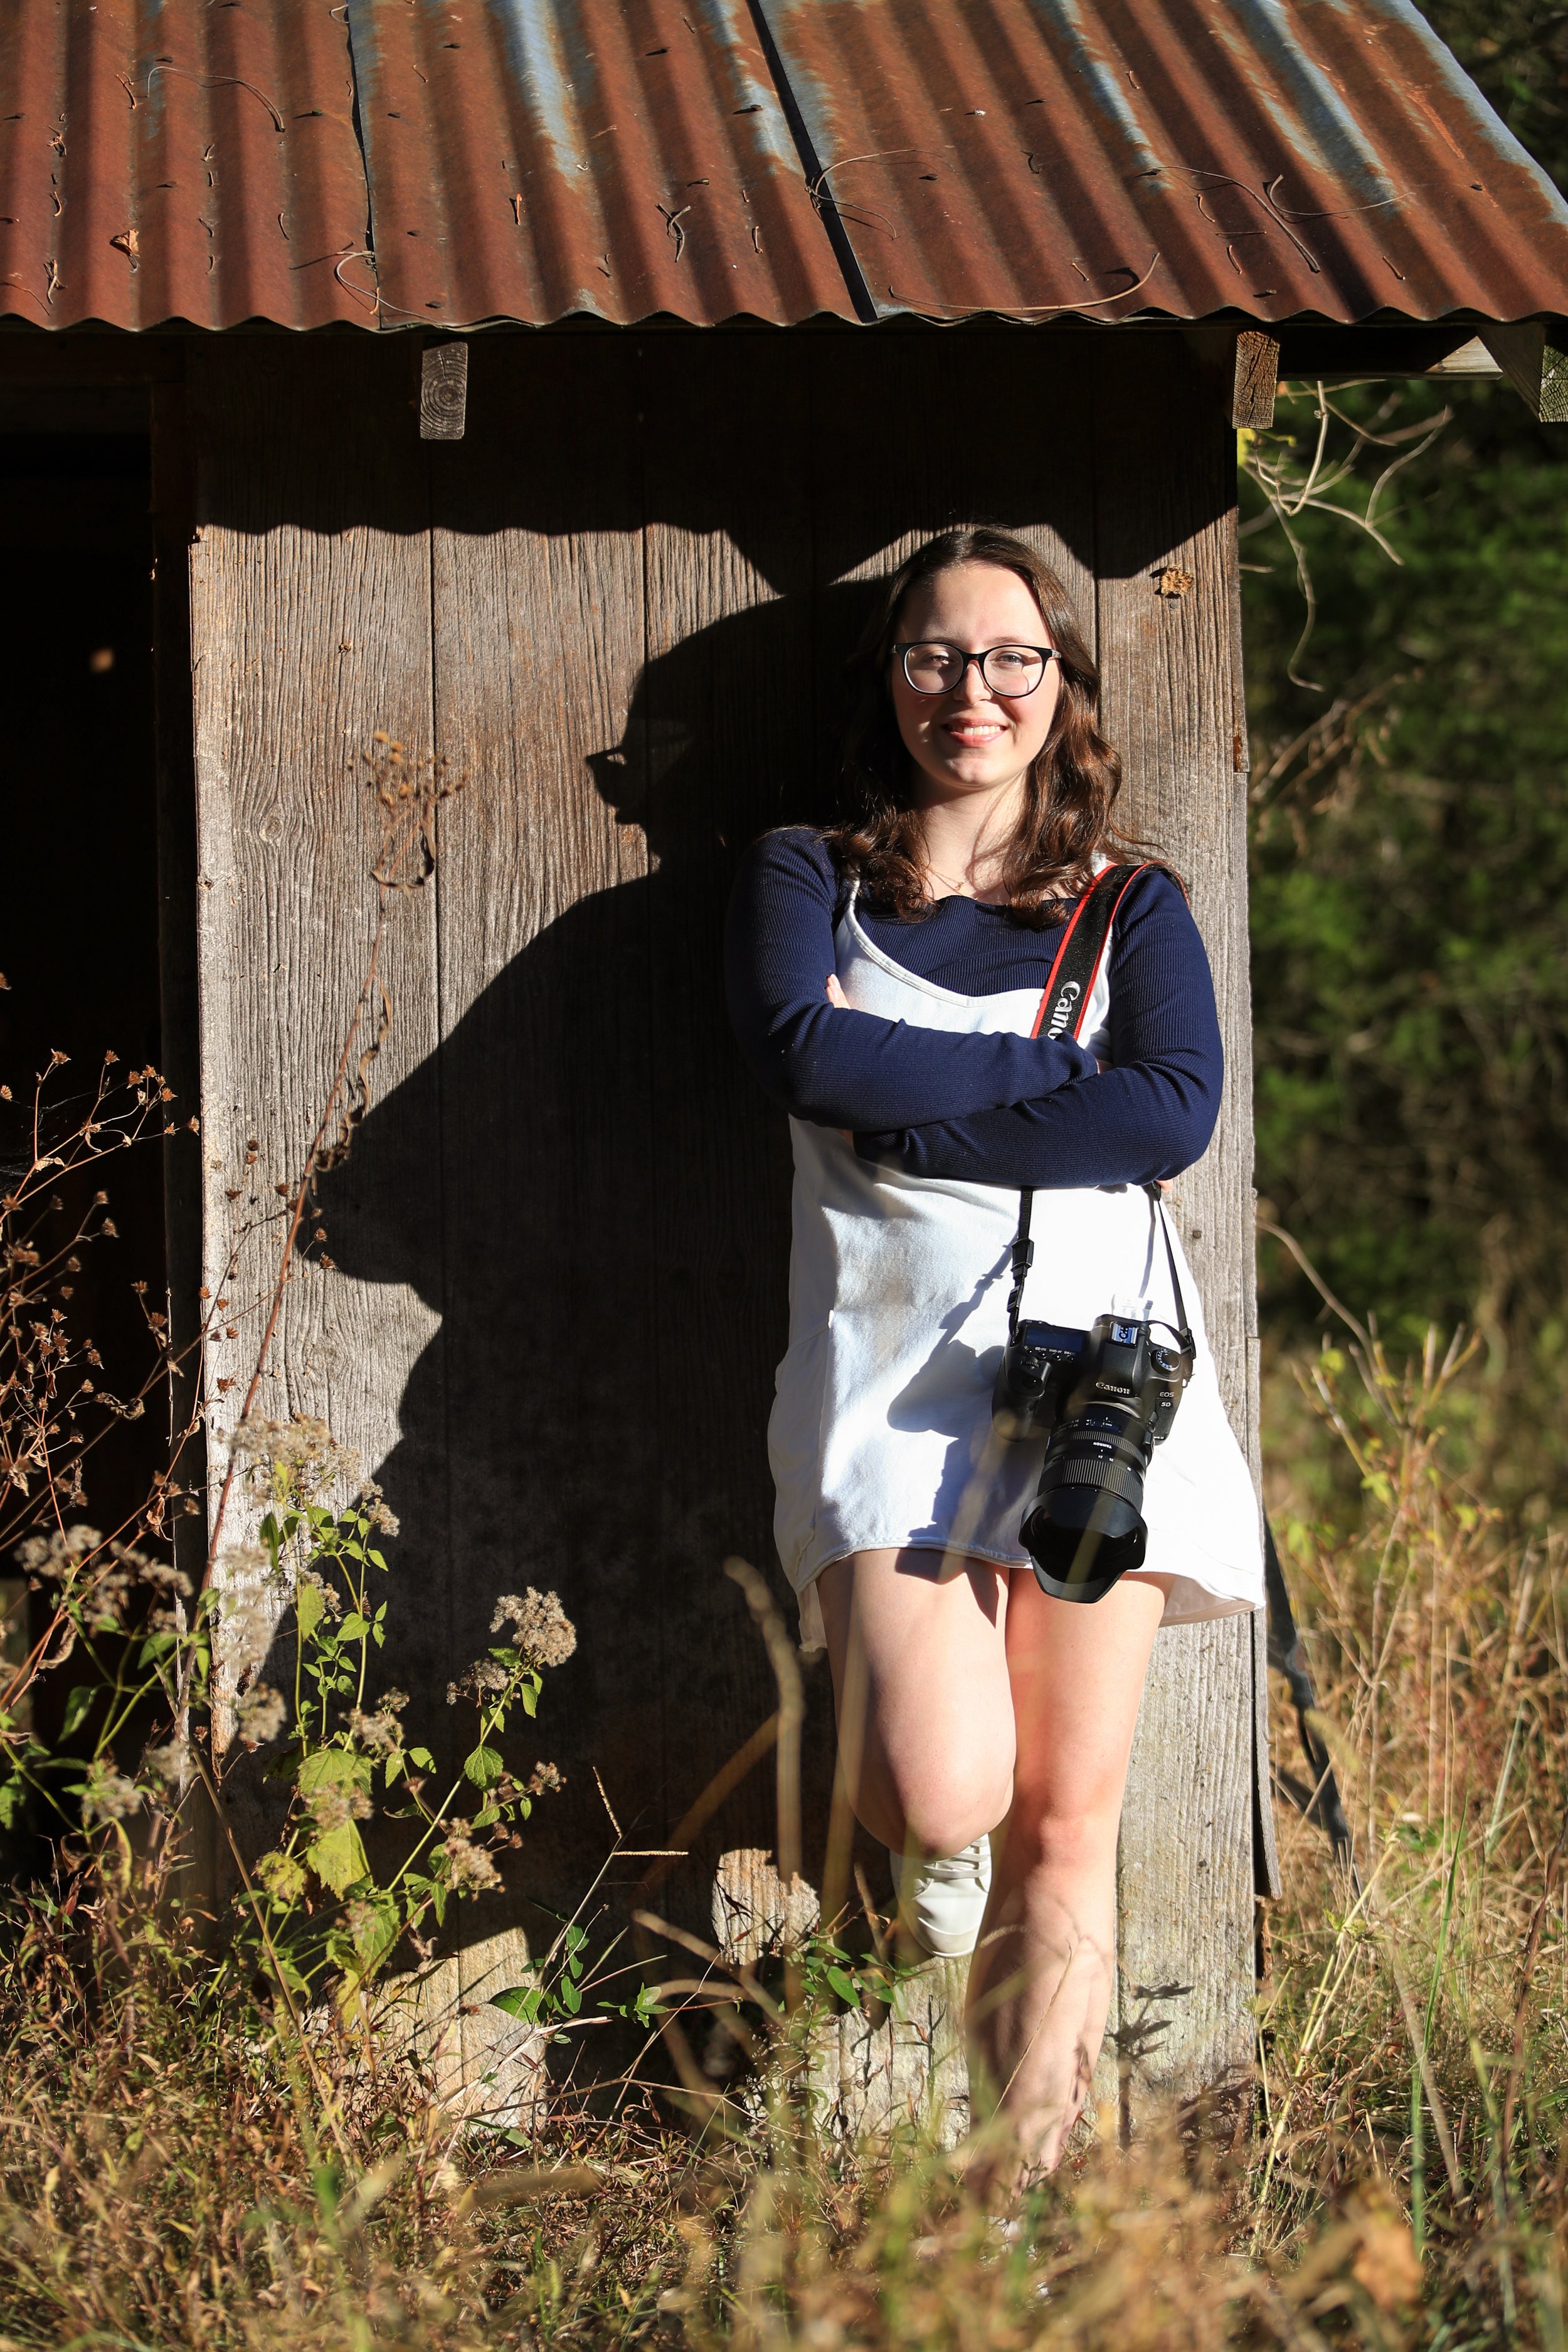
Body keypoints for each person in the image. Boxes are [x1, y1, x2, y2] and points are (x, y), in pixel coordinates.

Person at [724, 525, 1263, 2178]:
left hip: (1100, 1376)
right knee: (941, 1787)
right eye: (936, 658)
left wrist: (937, 1131)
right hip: (890, 1380)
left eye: (1009, 659)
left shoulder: (1129, 904)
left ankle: (1016, 2212)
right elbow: (805, 1052)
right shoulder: (807, 874)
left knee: (1064, 1816)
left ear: (1059, 685)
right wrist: (1053, 1115)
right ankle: (920, 1897)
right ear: (889, 684)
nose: (973, 692)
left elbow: (1172, 1106)